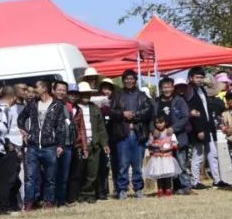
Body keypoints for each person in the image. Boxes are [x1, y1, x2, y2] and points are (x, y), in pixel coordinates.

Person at [17, 79, 67, 209]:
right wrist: (24, 132)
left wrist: (61, 145)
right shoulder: (32, 104)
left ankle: (48, 202)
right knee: (30, 177)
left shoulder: (57, 105)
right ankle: (29, 203)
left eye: (36, 87)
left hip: (50, 146)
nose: (34, 90)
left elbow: (61, 127)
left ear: (44, 89)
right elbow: (21, 118)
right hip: (33, 146)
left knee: (50, 178)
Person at [108, 69, 154, 200]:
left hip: (138, 133)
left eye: (132, 78)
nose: (129, 81)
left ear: (135, 80)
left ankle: (138, 189)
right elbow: (111, 112)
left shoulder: (142, 95)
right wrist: (122, 114)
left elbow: (148, 111)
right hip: (123, 133)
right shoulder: (117, 95)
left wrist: (135, 115)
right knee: (123, 164)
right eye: (127, 78)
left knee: (137, 164)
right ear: (123, 80)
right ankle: (121, 189)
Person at [186, 67, 225, 190]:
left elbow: (205, 109)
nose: (200, 80)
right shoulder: (189, 90)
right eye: (197, 77)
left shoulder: (201, 89)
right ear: (191, 78)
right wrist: (199, 130)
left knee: (212, 154)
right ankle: (195, 181)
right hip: (198, 128)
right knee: (198, 155)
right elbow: (193, 113)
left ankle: (217, 180)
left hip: (208, 126)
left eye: (201, 77)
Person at [71, 82, 110, 203]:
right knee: (79, 171)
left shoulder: (94, 108)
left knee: (93, 171)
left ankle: (89, 194)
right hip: (79, 145)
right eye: (84, 94)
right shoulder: (73, 108)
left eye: (88, 94)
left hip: (94, 144)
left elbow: (101, 127)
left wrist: (104, 144)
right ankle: (79, 194)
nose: (86, 96)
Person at [154, 76, 193, 195]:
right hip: (162, 139)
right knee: (166, 164)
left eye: (169, 86)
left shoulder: (179, 100)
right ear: (161, 88)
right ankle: (173, 187)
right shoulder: (156, 101)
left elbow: (185, 117)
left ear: (173, 88)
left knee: (181, 162)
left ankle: (185, 186)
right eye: (164, 87)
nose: (167, 89)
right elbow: (151, 118)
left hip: (178, 137)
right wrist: (153, 129)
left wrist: (173, 128)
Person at [0, 85, 23, 213]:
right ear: (13, 97)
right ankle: (2, 207)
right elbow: (0, 128)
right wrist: (9, 144)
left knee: (0, 179)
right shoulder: (4, 108)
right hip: (3, 149)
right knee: (6, 180)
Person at [144, 116, 182, 197]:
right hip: (157, 157)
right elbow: (148, 144)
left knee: (167, 173)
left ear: (165, 123)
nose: (159, 125)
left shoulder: (170, 133)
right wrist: (154, 144)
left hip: (167, 157)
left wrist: (169, 147)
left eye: (161, 122)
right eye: (157, 123)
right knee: (159, 174)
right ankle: (160, 189)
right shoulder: (154, 134)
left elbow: (175, 144)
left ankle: (168, 188)